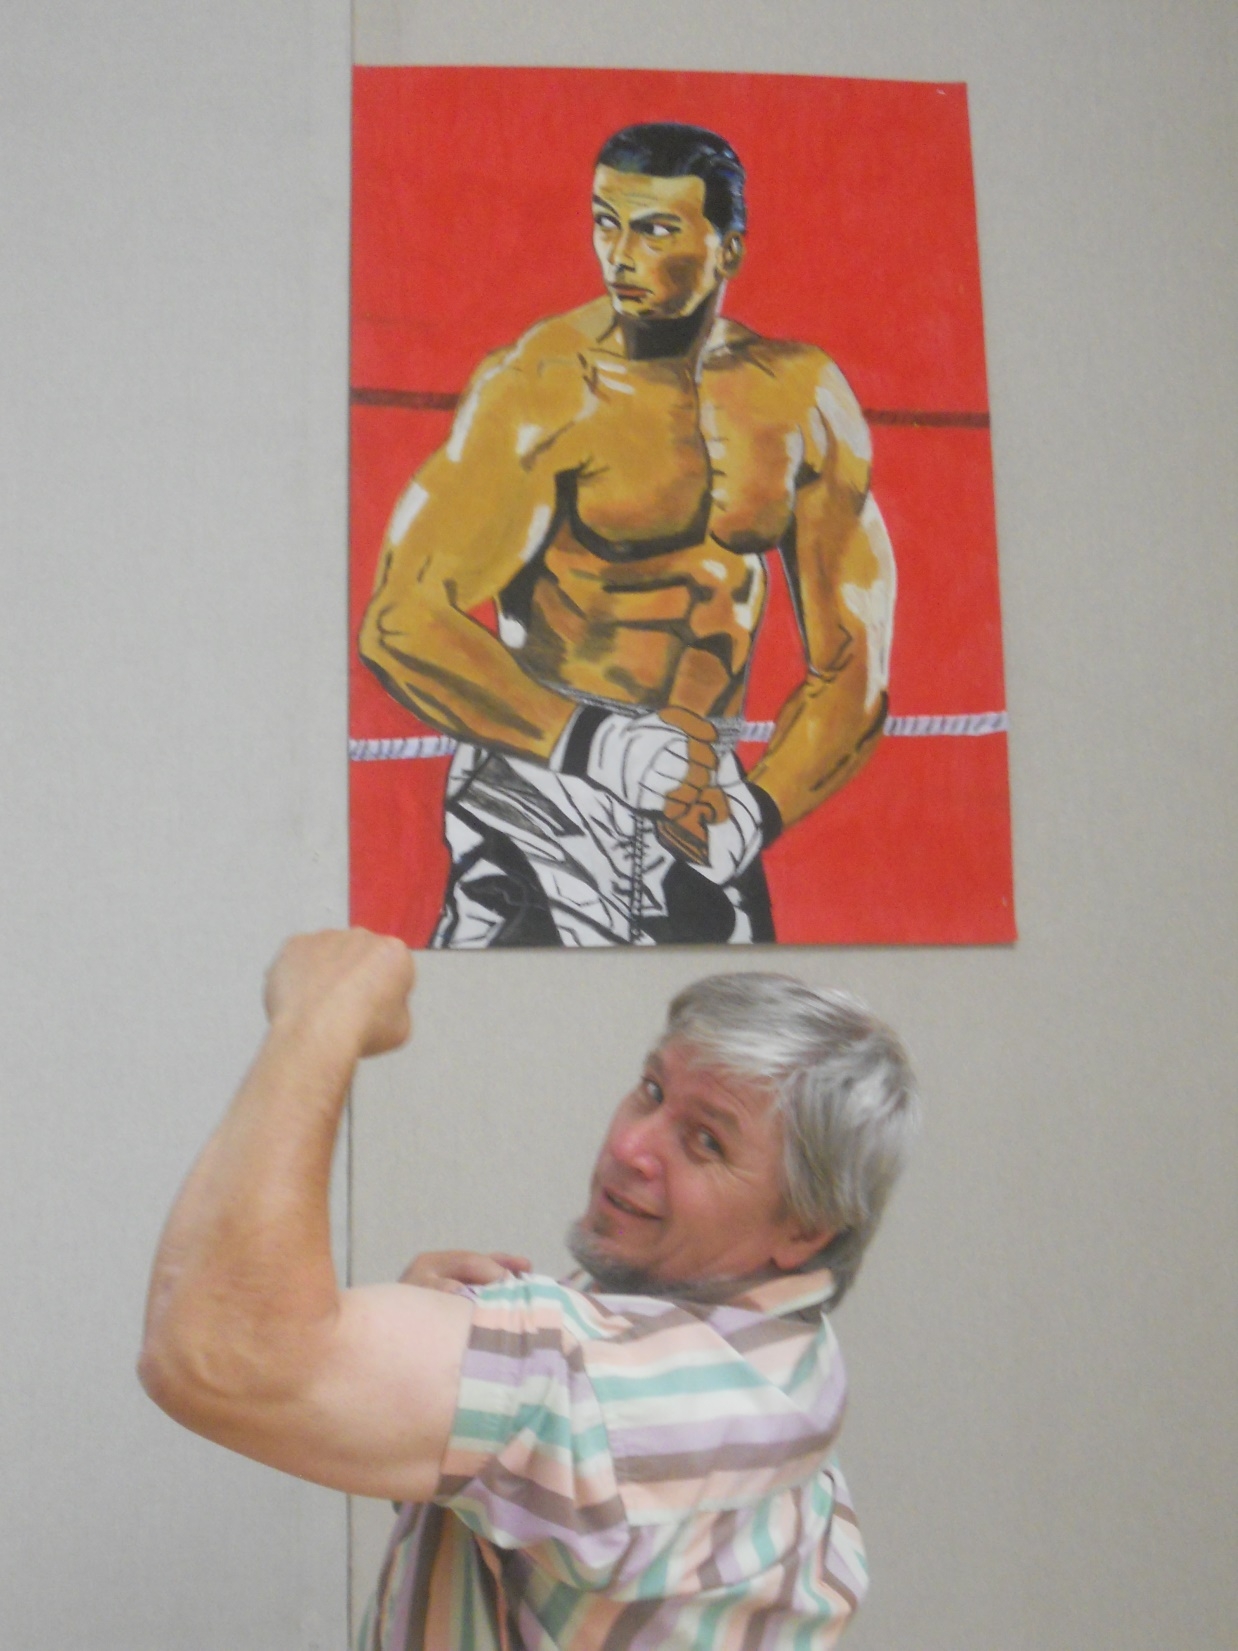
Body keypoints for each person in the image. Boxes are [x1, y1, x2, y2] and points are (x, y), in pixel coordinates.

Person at [139, 929, 919, 1649]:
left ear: (806, 1229)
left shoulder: (635, 1397)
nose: (629, 1145)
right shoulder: (772, 1350)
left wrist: (320, 1016)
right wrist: (419, 1387)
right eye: (651, 1090)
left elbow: (214, 1350)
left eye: (706, 1140)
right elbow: (197, 1318)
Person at [358, 122, 896, 947]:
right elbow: (400, 620)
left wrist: (759, 809)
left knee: (723, 1022)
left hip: (700, 806)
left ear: (728, 248)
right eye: (606, 222)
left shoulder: (801, 400)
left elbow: (853, 662)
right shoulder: (542, 390)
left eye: (655, 230)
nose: (618, 255)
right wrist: (598, 746)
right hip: (543, 783)